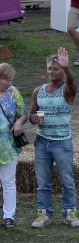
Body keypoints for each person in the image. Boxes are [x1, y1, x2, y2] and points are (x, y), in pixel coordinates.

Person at [28, 49, 79, 229]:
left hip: (62, 142)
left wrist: (67, 69)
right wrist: (33, 119)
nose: (51, 71)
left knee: (67, 179)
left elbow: (73, 84)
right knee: (42, 181)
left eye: (56, 69)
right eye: (49, 68)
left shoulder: (67, 90)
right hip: (42, 141)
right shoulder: (39, 91)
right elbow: (32, 114)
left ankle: (69, 213)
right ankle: (43, 213)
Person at [0, 64, 28, 228]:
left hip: (8, 145)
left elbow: (24, 113)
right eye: (7, 80)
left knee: (8, 181)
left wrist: (19, 123)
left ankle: (9, 216)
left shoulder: (13, 92)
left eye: (11, 80)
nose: (10, 83)